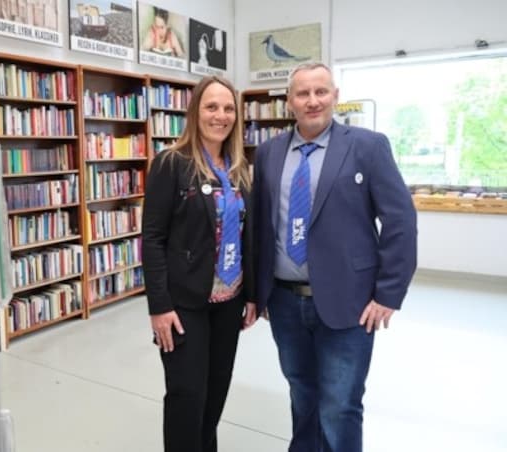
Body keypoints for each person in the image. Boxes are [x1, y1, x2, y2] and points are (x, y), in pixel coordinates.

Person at [253, 62, 417, 452]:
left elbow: (400, 220)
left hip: (350, 301)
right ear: (289, 101)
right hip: (284, 301)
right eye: (303, 94)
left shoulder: (368, 146)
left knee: (340, 405)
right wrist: (258, 291)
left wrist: (388, 294)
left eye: (321, 92)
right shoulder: (268, 153)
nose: (312, 101)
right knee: (301, 395)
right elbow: (260, 225)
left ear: (335, 96)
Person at [142, 75, 257, 452]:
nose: (220, 116)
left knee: (215, 395)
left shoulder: (241, 168)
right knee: (186, 396)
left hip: (229, 302)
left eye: (228, 108)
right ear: (195, 112)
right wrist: (159, 306)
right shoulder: (170, 163)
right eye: (211, 107)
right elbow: (153, 238)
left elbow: (248, 236)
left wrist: (252, 295)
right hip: (184, 304)